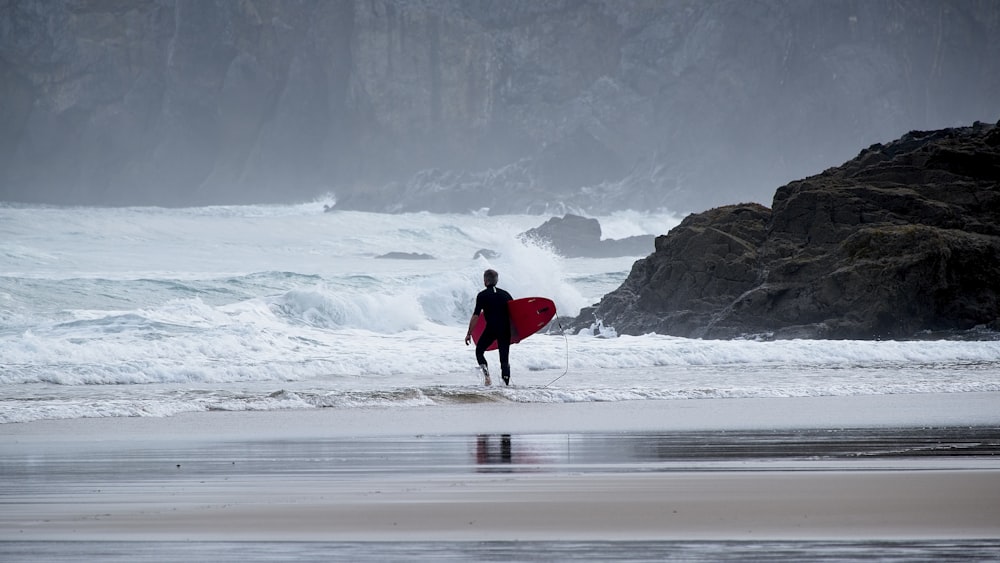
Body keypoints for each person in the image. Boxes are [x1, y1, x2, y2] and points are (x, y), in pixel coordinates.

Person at [465, 268, 513, 386]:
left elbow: (476, 315)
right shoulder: (506, 294)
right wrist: (517, 333)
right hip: (505, 330)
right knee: (504, 360)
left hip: (491, 329)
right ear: (496, 281)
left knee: (479, 351)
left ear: (485, 281)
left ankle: (487, 377)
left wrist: (469, 333)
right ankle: (506, 386)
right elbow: (514, 314)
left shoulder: (482, 295)